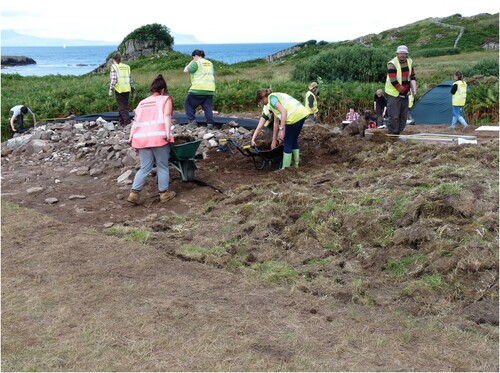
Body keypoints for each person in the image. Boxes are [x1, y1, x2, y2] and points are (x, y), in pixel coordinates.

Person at [127, 74, 176, 205]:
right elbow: (166, 116)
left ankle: (134, 194)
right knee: (162, 166)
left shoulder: (142, 102)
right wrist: (167, 133)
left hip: (141, 138)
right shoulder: (165, 99)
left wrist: (131, 136)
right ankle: (164, 194)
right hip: (159, 137)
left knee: (145, 167)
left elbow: (135, 121)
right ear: (163, 90)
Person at [254, 88, 310, 169]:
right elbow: (276, 122)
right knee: (293, 140)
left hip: (294, 116)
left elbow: (284, 112)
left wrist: (281, 129)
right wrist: (274, 139)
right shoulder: (273, 101)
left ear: (263, 98)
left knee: (287, 141)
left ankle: (285, 168)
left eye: (260, 101)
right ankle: (296, 165)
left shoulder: (272, 99)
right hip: (301, 114)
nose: (261, 103)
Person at [384, 45, 417, 135]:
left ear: (406, 54)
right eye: (400, 53)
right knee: (394, 116)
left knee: (403, 116)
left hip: (405, 93)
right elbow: (394, 81)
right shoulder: (392, 64)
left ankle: (399, 133)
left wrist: (414, 89)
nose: (402, 55)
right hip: (393, 94)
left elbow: (412, 76)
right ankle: (392, 135)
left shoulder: (409, 62)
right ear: (397, 53)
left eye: (404, 53)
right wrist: (405, 91)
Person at [183, 49, 216, 130]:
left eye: (193, 57)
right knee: (207, 107)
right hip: (210, 89)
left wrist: (191, 62)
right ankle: (210, 124)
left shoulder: (197, 63)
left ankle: (192, 121)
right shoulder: (210, 63)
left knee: (188, 104)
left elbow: (186, 70)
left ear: (196, 56)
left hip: (197, 89)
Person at [109, 52, 135, 125]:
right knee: (123, 105)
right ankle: (122, 121)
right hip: (127, 88)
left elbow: (114, 80)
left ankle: (127, 123)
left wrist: (110, 89)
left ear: (113, 59)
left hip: (119, 89)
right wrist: (133, 88)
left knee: (122, 107)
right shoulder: (127, 66)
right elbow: (130, 79)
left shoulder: (114, 67)